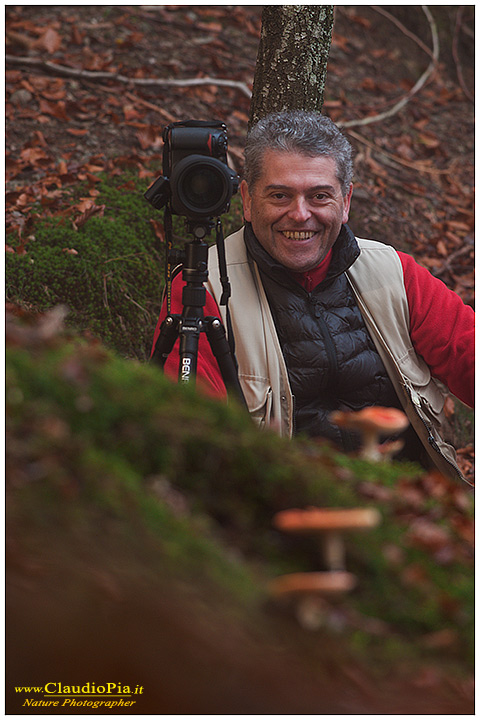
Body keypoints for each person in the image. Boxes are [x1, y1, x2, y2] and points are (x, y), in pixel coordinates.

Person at [152, 110, 474, 483]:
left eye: (319, 196)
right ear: (247, 199)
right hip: (285, 517)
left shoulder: (393, 274)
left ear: (346, 200)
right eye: (280, 195)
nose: (300, 214)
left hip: (408, 509)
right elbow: (190, 433)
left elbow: (469, 355)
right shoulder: (202, 287)